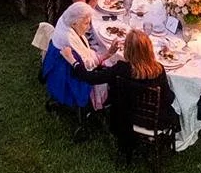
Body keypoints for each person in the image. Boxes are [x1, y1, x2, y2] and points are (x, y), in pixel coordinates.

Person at [69, 28, 172, 160]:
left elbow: (90, 78)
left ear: (128, 51)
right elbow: (168, 98)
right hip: (155, 121)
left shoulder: (121, 69)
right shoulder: (159, 69)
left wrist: (74, 62)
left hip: (124, 119)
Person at [41, 2, 101, 111]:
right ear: (74, 24)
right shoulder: (68, 37)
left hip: (57, 60)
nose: (89, 27)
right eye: (86, 23)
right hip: (67, 73)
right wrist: (103, 57)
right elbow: (87, 64)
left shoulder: (65, 18)